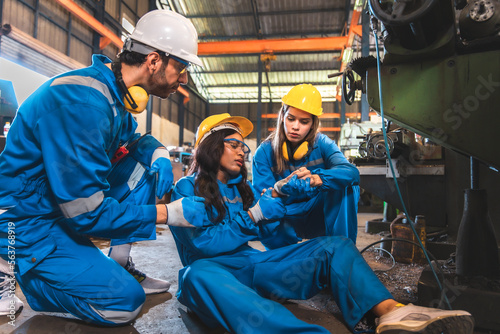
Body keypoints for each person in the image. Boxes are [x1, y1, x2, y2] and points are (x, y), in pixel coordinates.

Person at [169, 113, 474, 334]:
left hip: (253, 266)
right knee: (195, 275)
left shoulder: (241, 189)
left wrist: (281, 196)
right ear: (210, 146)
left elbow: (270, 234)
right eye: (233, 144)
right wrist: (256, 215)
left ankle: (391, 313)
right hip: (214, 273)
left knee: (334, 247)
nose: (242, 151)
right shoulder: (185, 187)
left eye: (243, 147)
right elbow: (203, 244)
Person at [0, 10, 206, 326]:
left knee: (143, 166)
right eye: (181, 67)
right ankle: (11, 266)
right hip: (23, 220)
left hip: (53, 206)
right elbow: (87, 214)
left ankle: (118, 263)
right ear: (153, 61)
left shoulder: (113, 94)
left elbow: (134, 141)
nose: (183, 80)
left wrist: (160, 153)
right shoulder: (84, 105)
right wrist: (170, 213)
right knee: (123, 303)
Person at [252, 83, 360, 247]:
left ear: (313, 124)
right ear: (282, 117)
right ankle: (282, 256)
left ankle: (342, 251)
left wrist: (318, 179)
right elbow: (265, 200)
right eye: (291, 119)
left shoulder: (322, 143)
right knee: (263, 208)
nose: (295, 126)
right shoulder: (264, 152)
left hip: (317, 214)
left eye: (304, 121)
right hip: (285, 215)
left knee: (348, 185)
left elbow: (351, 172)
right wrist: (284, 189)